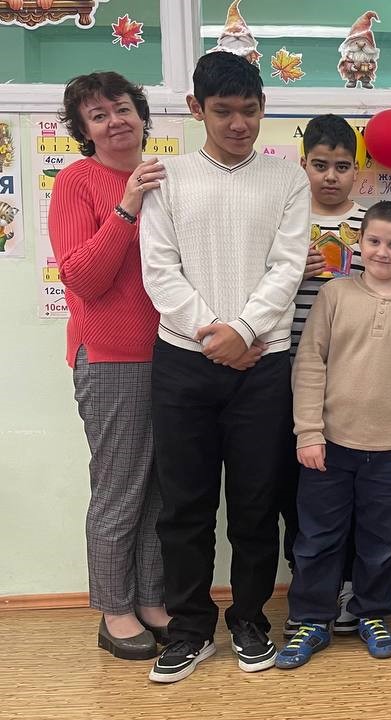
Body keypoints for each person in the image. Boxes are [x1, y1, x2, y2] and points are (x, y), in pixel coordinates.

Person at [140, 50, 310, 683]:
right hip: (183, 363)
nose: (239, 123)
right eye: (223, 111)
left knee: (255, 503)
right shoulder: (168, 177)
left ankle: (249, 618)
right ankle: (190, 628)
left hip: (262, 364)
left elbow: (287, 266)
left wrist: (243, 331)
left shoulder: (287, 179)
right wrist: (215, 333)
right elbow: (160, 270)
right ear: (196, 109)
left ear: (264, 109)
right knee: (184, 505)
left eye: (250, 110)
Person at [275, 201, 391, 669]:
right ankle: (312, 619)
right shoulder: (334, 296)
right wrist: (308, 432)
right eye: (374, 241)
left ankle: (371, 613)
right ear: (359, 243)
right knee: (317, 538)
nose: (382, 252)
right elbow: (309, 363)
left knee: (382, 542)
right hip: (329, 446)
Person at [48, 71, 170, 661]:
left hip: (172, 354)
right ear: (85, 130)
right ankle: (114, 609)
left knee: (160, 491)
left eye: (122, 108)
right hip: (109, 357)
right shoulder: (76, 182)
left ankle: (150, 598)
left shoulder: (166, 178)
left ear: (141, 115)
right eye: (98, 115)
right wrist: (126, 207)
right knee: (120, 488)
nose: (115, 121)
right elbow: (84, 278)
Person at [279, 113, 368, 638]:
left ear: (356, 169)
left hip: (356, 376)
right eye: (319, 165)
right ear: (303, 164)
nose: (331, 176)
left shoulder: (370, 224)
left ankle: (352, 585)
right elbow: (260, 291)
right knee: (300, 486)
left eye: (341, 166)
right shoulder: (286, 221)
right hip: (290, 371)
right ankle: (309, 584)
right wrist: (293, 272)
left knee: (352, 483)